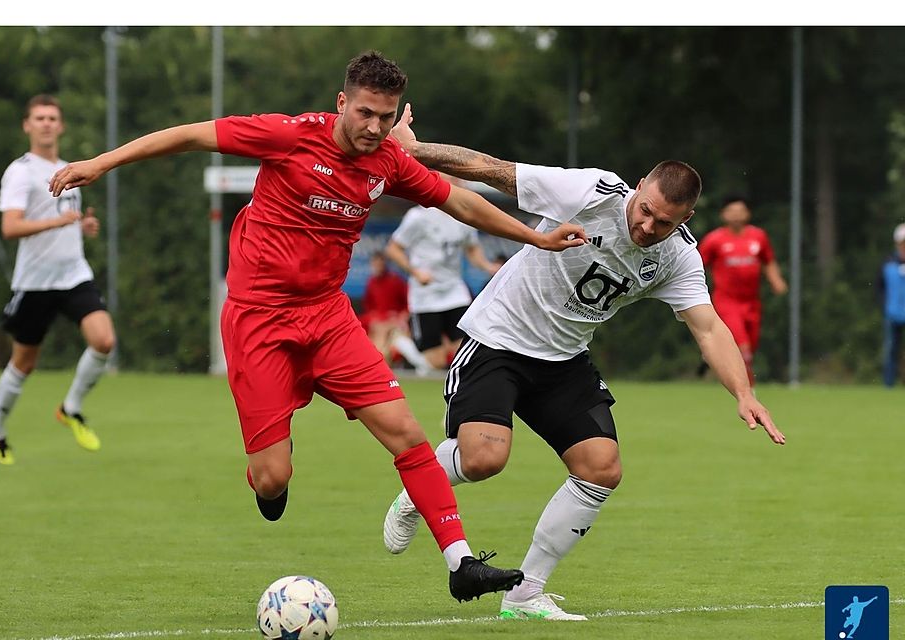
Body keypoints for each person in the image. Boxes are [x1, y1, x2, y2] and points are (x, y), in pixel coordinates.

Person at [48, 51, 588, 602]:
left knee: (406, 433)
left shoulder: (389, 163)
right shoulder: (288, 136)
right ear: (341, 103)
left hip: (329, 318)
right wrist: (100, 163)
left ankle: (460, 562)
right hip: (258, 320)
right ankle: (265, 475)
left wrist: (537, 237)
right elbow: (191, 135)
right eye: (364, 113)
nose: (375, 127)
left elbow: (463, 204)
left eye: (385, 116)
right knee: (272, 479)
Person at [381, 103, 786, 620]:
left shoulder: (678, 256)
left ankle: (526, 593)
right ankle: (418, 492)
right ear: (638, 187)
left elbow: (708, 327)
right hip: (498, 339)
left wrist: (744, 392)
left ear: (685, 220)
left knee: (601, 468)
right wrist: (415, 151)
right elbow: (494, 169)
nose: (646, 225)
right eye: (644, 209)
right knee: (484, 459)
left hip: (564, 359)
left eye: (663, 222)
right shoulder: (591, 191)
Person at [0, 94, 116, 466]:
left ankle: (70, 408)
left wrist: (82, 226)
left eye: (52, 118)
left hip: (74, 275)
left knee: (104, 340)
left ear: (61, 126)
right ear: (27, 125)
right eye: (39, 117)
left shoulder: (70, 168)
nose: (46, 123)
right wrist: (56, 223)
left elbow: (65, 218)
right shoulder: (20, 171)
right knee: (24, 363)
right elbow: (10, 227)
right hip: (35, 283)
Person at [385, 178, 500, 370]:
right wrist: (416, 272)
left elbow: (471, 249)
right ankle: (403, 345)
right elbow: (393, 249)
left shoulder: (465, 216)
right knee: (435, 362)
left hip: (454, 291)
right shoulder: (419, 216)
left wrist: (487, 267)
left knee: (464, 354)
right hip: (426, 294)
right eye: (455, 179)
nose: (461, 184)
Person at [697, 197, 788, 386]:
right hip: (727, 301)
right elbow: (695, 265)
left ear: (748, 213)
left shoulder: (758, 237)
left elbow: (768, 261)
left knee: (749, 348)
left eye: (741, 210)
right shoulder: (714, 240)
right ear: (723, 214)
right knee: (743, 349)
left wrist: (776, 280)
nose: (737, 214)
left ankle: (711, 355)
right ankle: (748, 394)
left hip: (752, 302)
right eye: (732, 210)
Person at [361, 250, 431, 374]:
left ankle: (423, 365)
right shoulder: (370, 282)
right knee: (377, 345)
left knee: (398, 342)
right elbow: (369, 309)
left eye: (379, 264)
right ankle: (377, 371)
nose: (377, 267)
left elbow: (408, 306)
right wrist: (377, 323)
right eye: (374, 264)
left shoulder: (396, 280)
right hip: (379, 326)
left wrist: (399, 320)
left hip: (396, 324)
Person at [878, 223, 905, 387]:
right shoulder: (887, 262)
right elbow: (879, 287)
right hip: (893, 313)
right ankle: (889, 384)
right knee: (890, 350)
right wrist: (884, 305)